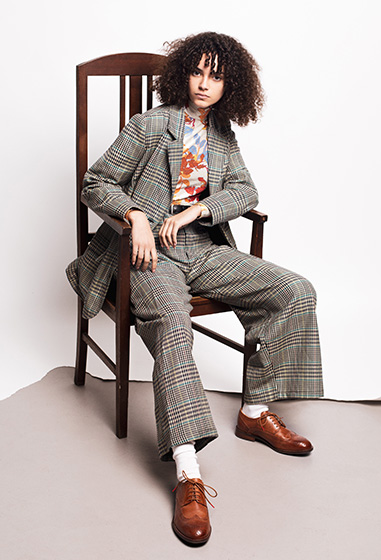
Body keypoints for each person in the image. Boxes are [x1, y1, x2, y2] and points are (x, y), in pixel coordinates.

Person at [66, 31, 323, 546]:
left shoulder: (223, 133)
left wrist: (199, 210)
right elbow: (96, 183)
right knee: (174, 327)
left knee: (296, 290)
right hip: (147, 256)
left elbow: (246, 190)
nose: (205, 84)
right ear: (182, 73)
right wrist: (136, 215)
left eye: (217, 76)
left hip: (204, 249)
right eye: (197, 72)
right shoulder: (150, 124)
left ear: (232, 85)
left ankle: (255, 412)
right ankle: (188, 474)